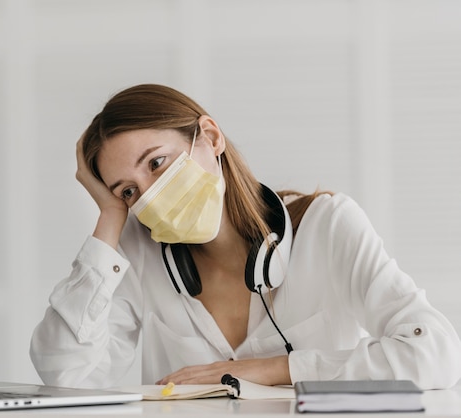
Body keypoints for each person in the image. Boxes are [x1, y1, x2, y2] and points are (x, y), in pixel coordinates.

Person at [30, 83, 461, 390]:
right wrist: (110, 217)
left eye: (157, 163)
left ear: (211, 138)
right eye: (129, 190)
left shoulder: (327, 226)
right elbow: (67, 377)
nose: (149, 194)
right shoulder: (139, 255)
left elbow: (436, 354)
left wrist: (276, 369)